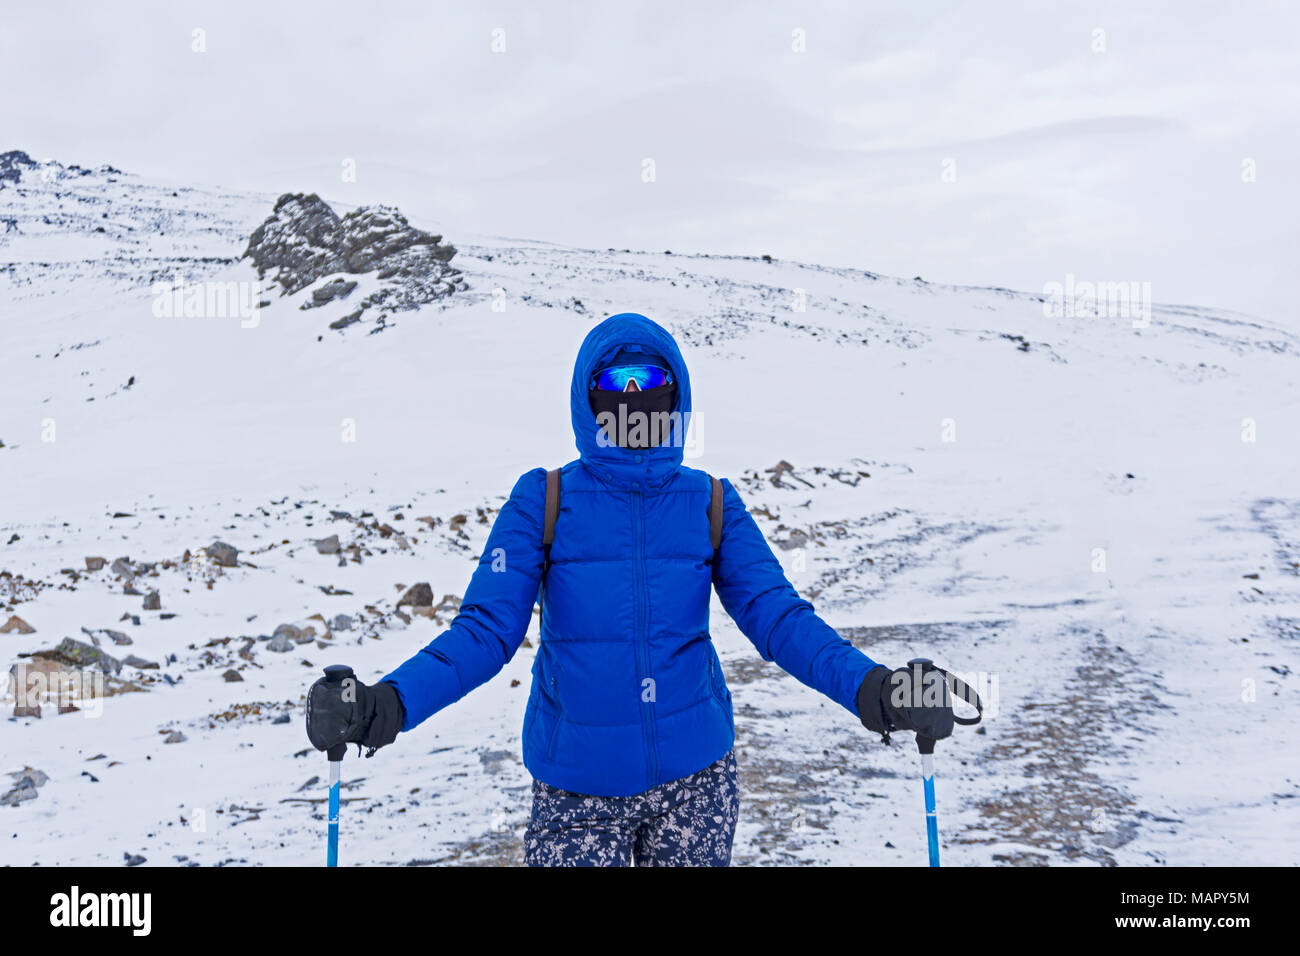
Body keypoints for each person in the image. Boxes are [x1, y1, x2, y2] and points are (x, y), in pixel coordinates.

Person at [306, 311, 955, 866]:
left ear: (679, 396)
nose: (636, 396)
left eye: (653, 381)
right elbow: (484, 631)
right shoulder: (545, 498)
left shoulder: (711, 502)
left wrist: (876, 689)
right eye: (617, 380)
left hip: (698, 784)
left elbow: (779, 617)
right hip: (576, 796)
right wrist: (386, 705)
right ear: (588, 396)